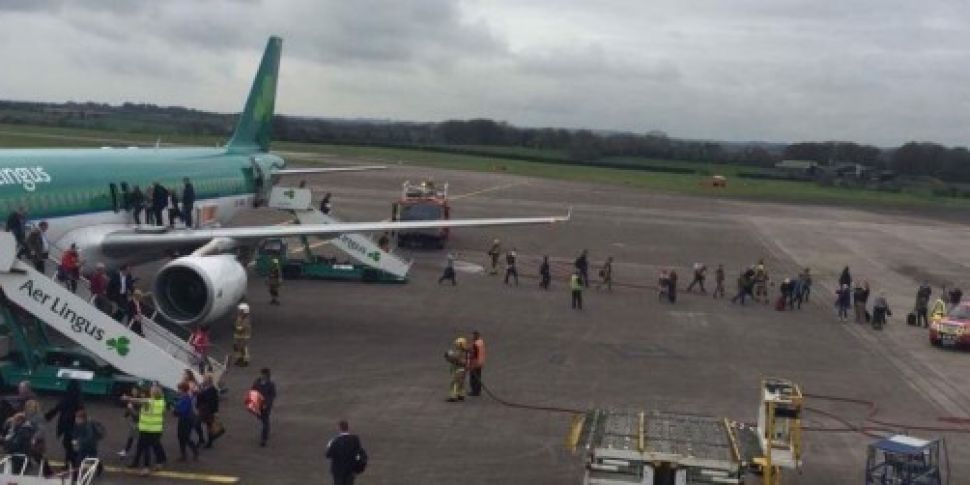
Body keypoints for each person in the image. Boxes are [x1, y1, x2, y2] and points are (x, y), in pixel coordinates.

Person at [124, 383, 167, 475]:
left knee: (145, 449)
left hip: (147, 429)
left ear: (153, 394)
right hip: (156, 429)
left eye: (151, 391)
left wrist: (128, 399)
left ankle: (146, 468)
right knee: (146, 446)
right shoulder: (162, 402)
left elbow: (138, 401)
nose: (149, 392)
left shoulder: (149, 402)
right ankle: (158, 463)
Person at [44, 380, 82, 467]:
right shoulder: (78, 400)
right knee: (71, 446)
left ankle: (71, 464)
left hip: (68, 426)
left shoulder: (66, 398)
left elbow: (57, 408)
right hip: (74, 427)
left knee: (69, 445)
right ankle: (70, 463)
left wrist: (46, 417)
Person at [326, 420, 367, 485]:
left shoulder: (334, 441)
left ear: (339, 428)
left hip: (338, 471)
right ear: (348, 428)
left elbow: (328, 455)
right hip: (350, 470)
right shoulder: (355, 439)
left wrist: (329, 446)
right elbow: (359, 452)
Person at [70, 409, 103, 474]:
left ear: (83, 419)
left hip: (90, 446)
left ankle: (99, 466)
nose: (76, 420)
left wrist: (78, 441)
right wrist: (74, 439)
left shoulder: (88, 426)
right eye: (76, 418)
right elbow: (75, 433)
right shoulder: (77, 424)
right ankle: (76, 474)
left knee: (90, 458)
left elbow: (89, 437)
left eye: (78, 418)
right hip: (84, 446)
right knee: (80, 459)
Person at [173, 382, 199, 462]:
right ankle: (184, 455)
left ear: (182, 389)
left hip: (186, 420)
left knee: (185, 437)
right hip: (184, 419)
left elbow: (183, 410)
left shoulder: (186, 398)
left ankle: (194, 452)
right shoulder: (184, 397)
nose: (178, 390)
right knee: (181, 437)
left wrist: (175, 409)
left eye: (179, 389)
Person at [251, 368, 276, 447]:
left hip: (266, 406)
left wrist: (267, 404)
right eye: (262, 374)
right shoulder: (257, 382)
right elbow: (252, 391)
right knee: (261, 419)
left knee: (265, 421)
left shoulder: (271, 384)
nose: (262, 376)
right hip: (258, 405)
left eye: (264, 374)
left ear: (267, 375)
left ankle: (263, 439)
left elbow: (272, 395)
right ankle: (266, 431)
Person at [196, 374, 221, 448]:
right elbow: (200, 397)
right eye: (204, 378)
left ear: (209, 380)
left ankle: (209, 442)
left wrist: (216, 412)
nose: (203, 379)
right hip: (202, 409)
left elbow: (215, 401)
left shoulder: (212, 389)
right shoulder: (202, 387)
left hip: (208, 410)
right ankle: (202, 439)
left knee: (209, 426)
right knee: (197, 424)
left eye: (205, 378)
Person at [117, 385, 142, 458]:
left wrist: (130, 408)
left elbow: (137, 414)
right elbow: (128, 409)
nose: (133, 391)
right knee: (132, 437)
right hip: (135, 421)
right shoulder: (132, 399)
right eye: (133, 390)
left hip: (139, 422)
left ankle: (127, 452)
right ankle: (126, 451)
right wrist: (125, 416)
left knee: (135, 438)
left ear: (138, 391)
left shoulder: (140, 400)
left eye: (135, 390)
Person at [444, 338, 468, 402]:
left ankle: (453, 396)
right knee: (461, 383)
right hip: (463, 370)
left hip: (458, 370)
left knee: (454, 383)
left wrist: (448, 356)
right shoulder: (465, 352)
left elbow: (455, 359)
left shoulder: (459, 352)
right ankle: (461, 394)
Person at [468, 331, 485, 397]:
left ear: (475, 336)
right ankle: (478, 390)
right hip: (480, 362)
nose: (471, 337)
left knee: (473, 377)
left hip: (475, 362)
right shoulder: (481, 342)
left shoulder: (476, 344)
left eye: (473, 335)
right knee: (478, 376)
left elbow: (474, 354)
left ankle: (474, 391)